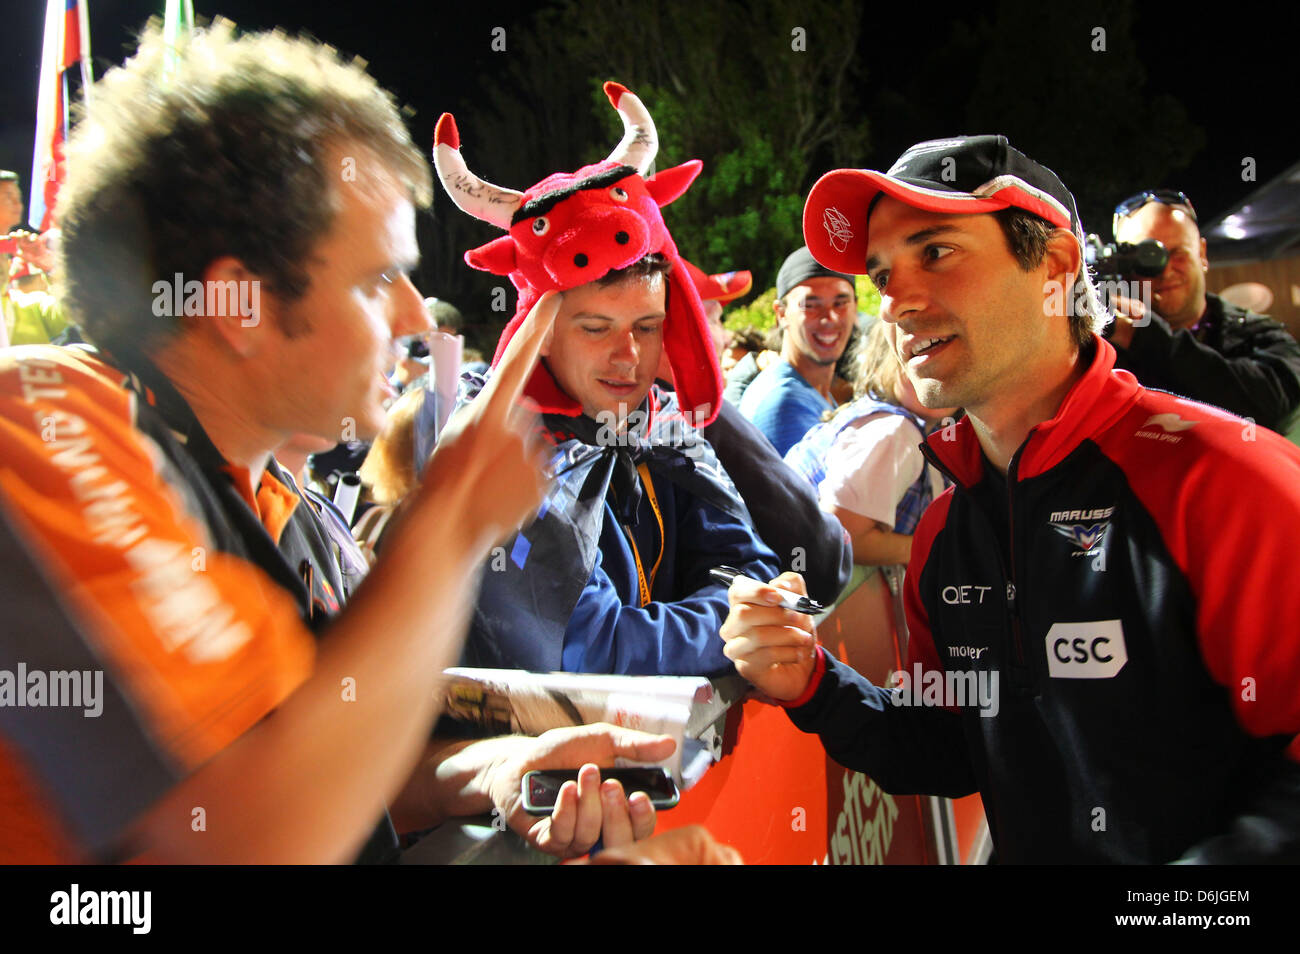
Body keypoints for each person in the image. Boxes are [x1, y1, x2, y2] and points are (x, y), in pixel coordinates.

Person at [0, 22, 684, 864]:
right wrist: (447, 532)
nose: (410, 316)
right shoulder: (40, 418)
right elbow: (240, 836)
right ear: (237, 305)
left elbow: (341, 773)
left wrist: (497, 769)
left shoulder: (281, 501)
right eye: (376, 280)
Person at [721, 134, 1300, 863]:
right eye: (883, 273)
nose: (895, 302)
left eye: (935, 253)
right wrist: (811, 682)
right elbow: (954, 748)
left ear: (1054, 266)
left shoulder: (1227, 482)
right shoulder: (944, 531)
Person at [432, 84, 780, 675]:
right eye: (596, 328)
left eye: (648, 326)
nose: (629, 357)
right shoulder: (500, 445)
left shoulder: (666, 424)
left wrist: (740, 609)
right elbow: (592, 648)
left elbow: (751, 567)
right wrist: (739, 626)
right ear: (538, 332)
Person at [1107, 189, 1300, 432]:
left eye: (1178, 253)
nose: (1165, 271)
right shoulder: (1102, 349)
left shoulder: (1256, 334)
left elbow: (1271, 408)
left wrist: (1139, 335)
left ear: (1202, 254)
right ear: (1122, 269)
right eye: (1147, 258)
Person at [784, 319, 954, 568]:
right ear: (882, 362)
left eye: (948, 359)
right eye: (917, 355)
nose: (934, 371)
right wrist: (941, 547)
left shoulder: (877, 416)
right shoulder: (893, 433)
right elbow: (845, 538)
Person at [737, 246, 857, 455]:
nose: (830, 318)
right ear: (781, 314)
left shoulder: (813, 391)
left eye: (841, 303)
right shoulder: (784, 402)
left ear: (856, 307)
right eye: (810, 305)